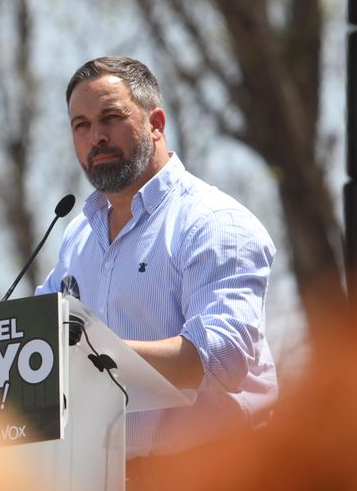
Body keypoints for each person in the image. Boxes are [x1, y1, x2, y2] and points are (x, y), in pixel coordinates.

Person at [36, 57, 277, 482]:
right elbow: (38, 335)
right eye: (81, 125)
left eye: (111, 118)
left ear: (156, 123)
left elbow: (222, 357)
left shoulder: (213, 221)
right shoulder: (77, 237)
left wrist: (92, 354)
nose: (97, 137)